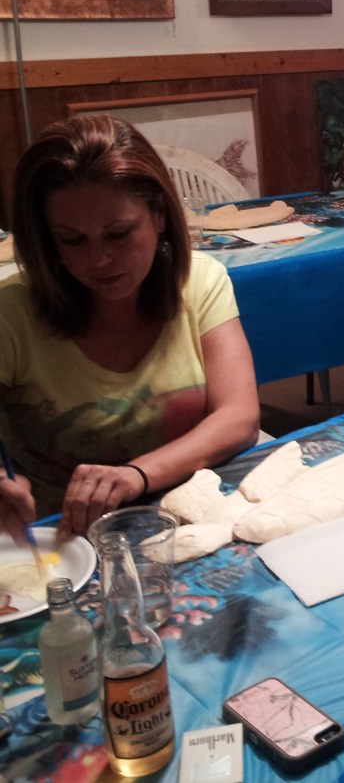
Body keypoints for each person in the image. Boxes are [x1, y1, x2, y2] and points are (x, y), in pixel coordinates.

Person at [0, 115, 260, 540]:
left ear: (159, 214)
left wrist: (136, 474)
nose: (99, 260)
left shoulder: (199, 281)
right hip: (59, 539)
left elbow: (240, 416)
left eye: (118, 233)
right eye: (71, 240)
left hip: (187, 515)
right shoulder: (10, 313)